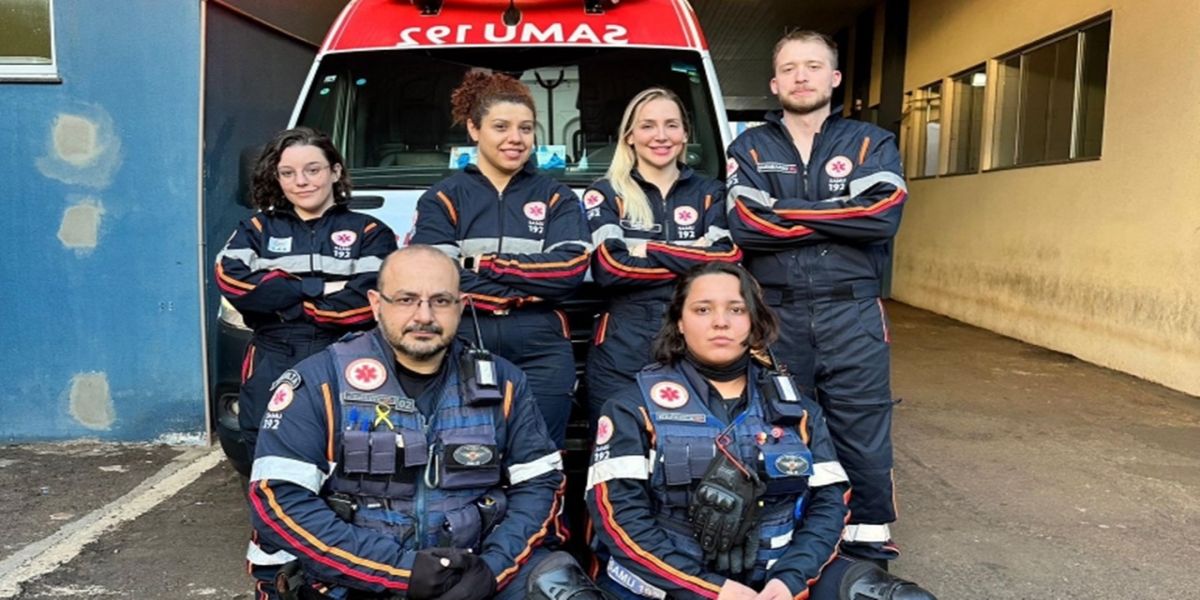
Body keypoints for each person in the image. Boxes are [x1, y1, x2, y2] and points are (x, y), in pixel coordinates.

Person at [247, 245, 606, 600]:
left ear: (462, 305)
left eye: (441, 300)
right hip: (358, 575)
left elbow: (540, 486)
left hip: (476, 570)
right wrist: (402, 573)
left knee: (562, 589)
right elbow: (278, 501)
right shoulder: (319, 382)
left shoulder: (505, 383)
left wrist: (492, 570)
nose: (424, 316)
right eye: (405, 300)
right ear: (375, 304)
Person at [585, 262, 934, 600]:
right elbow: (619, 519)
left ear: (754, 323)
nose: (720, 322)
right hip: (669, 585)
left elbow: (829, 505)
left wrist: (790, 579)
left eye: (736, 310)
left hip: (774, 582)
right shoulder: (632, 407)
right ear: (679, 322)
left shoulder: (798, 411)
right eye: (702, 310)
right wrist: (709, 590)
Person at [724, 30, 908, 563]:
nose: (801, 76)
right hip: (775, 310)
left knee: (862, 419)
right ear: (775, 82)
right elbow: (746, 225)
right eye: (790, 67)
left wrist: (789, 209)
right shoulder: (750, 145)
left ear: (834, 78)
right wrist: (837, 215)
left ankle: (868, 533)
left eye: (812, 66)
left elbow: (881, 216)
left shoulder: (872, 142)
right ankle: (789, 529)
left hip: (852, 308)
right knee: (779, 420)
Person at [410, 71, 591, 448]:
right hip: (464, 338)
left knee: (540, 456)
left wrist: (482, 264)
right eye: (501, 126)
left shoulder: (559, 197)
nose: (516, 138)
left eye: (526, 128)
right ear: (474, 129)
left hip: (541, 343)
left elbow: (569, 271)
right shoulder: (442, 198)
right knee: (465, 454)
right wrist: (529, 282)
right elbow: (439, 280)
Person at [216, 127, 397, 462]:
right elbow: (233, 282)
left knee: (354, 458)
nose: (301, 181)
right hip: (273, 358)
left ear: (336, 171)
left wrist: (286, 304)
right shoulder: (255, 231)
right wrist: (318, 288)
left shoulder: (370, 232)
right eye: (288, 173)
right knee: (270, 458)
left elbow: (367, 304)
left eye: (313, 169)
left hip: (348, 356)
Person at [583, 87, 742, 422]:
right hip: (621, 350)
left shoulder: (711, 192)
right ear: (629, 136)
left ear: (685, 135)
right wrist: (694, 256)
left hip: (696, 347)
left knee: (694, 456)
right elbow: (610, 268)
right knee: (619, 458)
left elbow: (727, 260)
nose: (660, 136)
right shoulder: (606, 192)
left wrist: (648, 249)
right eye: (647, 125)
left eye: (671, 125)